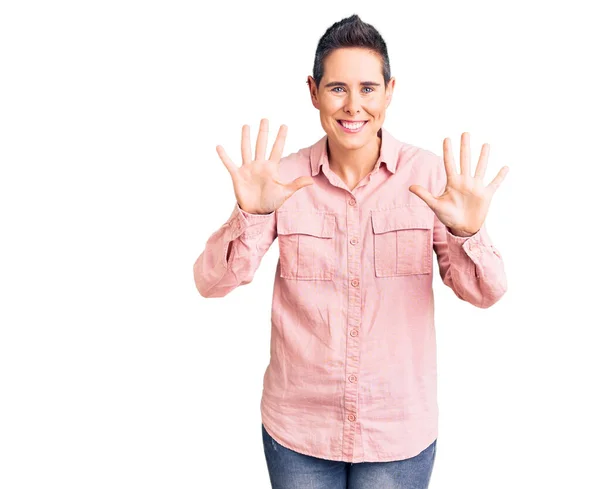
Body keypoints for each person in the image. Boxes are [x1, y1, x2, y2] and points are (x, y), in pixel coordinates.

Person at [193, 13, 508, 489]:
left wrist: (469, 234)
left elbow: (487, 293)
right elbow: (210, 282)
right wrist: (250, 214)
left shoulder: (430, 178)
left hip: (396, 434)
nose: (353, 106)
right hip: (299, 430)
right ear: (313, 91)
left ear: (389, 91)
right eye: (337, 88)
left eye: (367, 88)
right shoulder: (280, 178)